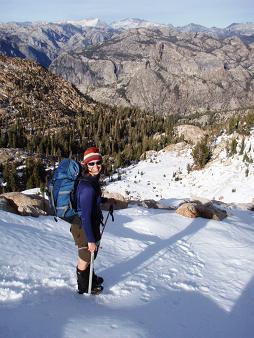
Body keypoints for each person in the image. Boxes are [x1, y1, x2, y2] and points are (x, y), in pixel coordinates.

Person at [70, 146, 106, 295]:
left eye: (98, 162)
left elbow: (91, 202)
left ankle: (90, 277)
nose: (96, 166)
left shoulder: (91, 180)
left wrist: (104, 200)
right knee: (85, 256)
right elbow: (85, 216)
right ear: (86, 165)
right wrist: (90, 240)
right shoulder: (87, 187)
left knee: (92, 254)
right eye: (91, 163)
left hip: (90, 223)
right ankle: (84, 287)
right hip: (84, 226)